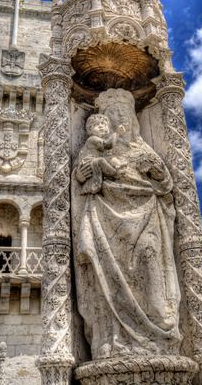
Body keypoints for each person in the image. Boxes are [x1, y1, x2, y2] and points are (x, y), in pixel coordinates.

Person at [72, 89, 181, 360]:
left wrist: (156, 172)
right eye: (113, 114)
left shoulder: (143, 149)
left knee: (150, 257)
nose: (121, 117)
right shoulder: (94, 147)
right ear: (104, 122)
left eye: (125, 113)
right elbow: (79, 178)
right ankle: (113, 339)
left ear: (134, 119)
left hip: (147, 213)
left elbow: (166, 185)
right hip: (106, 216)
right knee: (107, 274)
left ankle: (160, 331)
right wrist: (87, 171)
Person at [77, 113, 127, 195]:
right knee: (101, 160)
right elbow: (108, 145)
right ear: (90, 130)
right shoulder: (92, 139)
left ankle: (118, 167)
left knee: (110, 158)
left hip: (100, 164)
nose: (101, 126)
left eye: (103, 124)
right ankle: (115, 173)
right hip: (90, 163)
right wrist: (117, 133)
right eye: (96, 124)